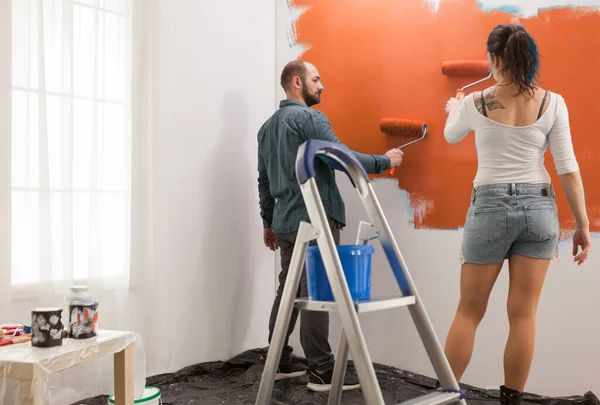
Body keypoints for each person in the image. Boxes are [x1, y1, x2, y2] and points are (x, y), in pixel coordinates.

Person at [442, 23, 591, 405]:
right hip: (540, 209)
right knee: (523, 315)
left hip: (489, 206)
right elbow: (568, 168)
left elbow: (450, 135)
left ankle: (441, 398)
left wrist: (453, 107)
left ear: (494, 58)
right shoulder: (553, 102)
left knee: (469, 312)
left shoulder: (476, 102)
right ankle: (512, 402)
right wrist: (583, 225)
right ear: (528, 59)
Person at [257, 59, 404, 392]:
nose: (321, 86)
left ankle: (278, 361)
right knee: (315, 294)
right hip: (315, 217)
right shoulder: (310, 118)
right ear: (297, 82)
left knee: (290, 288)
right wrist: (385, 161)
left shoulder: (266, 128)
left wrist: (267, 221)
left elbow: (264, 180)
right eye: (316, 79)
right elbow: (340, 157)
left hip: (285, 221)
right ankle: (321, 371)